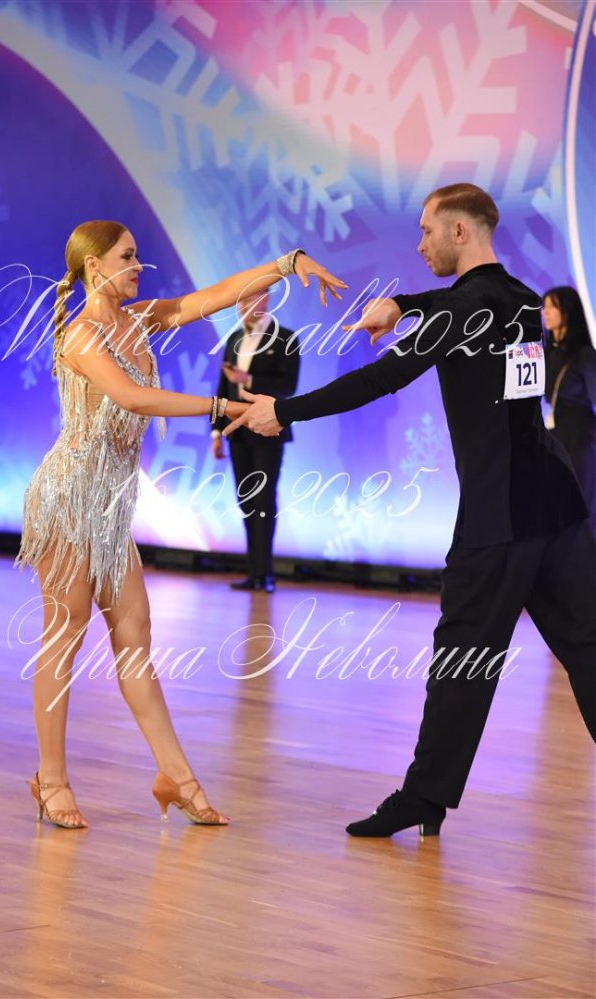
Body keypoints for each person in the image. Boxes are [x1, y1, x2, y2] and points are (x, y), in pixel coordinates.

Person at [225, 183, 596, 838]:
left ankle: (424, 797)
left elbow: (379, 379)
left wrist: (282, 410)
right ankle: (425, 796)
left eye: (427, 230)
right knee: (588, 647)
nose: (419, 243)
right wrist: (403, 304)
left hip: (500, 516)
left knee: (461, 662)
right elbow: (460, 303)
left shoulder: (463, 311)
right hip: (557, 503)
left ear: (461, 231)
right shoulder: (520, 300)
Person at [15, 221, 346, 829]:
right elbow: (134, 399)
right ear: (95, 266)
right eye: (128, 256)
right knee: (64, 638)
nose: (139, 266)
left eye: (138, 255)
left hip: (111, 510)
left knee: (135, 639)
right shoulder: (82, 334)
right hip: (68, 501)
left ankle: (177, 776)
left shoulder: (139, 320)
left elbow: (208, 299)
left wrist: (285, 263)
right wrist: (222, 405)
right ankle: (51, 779)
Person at [211, 291, 300, 592]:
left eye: (250, 299)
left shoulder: (285, 338)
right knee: (246, 500)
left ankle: (266, 574)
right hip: (237, 431)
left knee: (263, 499)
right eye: (240, 301)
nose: (244, 307)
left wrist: (247, 381)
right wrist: (216, 432)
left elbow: (287, 387)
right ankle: (253, 572)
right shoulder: (235, 339)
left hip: (268, 430)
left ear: (266, 300)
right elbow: (222, 389)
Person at [542, 285, 596, 525]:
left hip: (580, 437)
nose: (545, 312)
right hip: (553, 435)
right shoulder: (547, 354)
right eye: (544, 306)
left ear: (568, 311)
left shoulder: (584, 355)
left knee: (581, 503)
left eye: (552, 306)